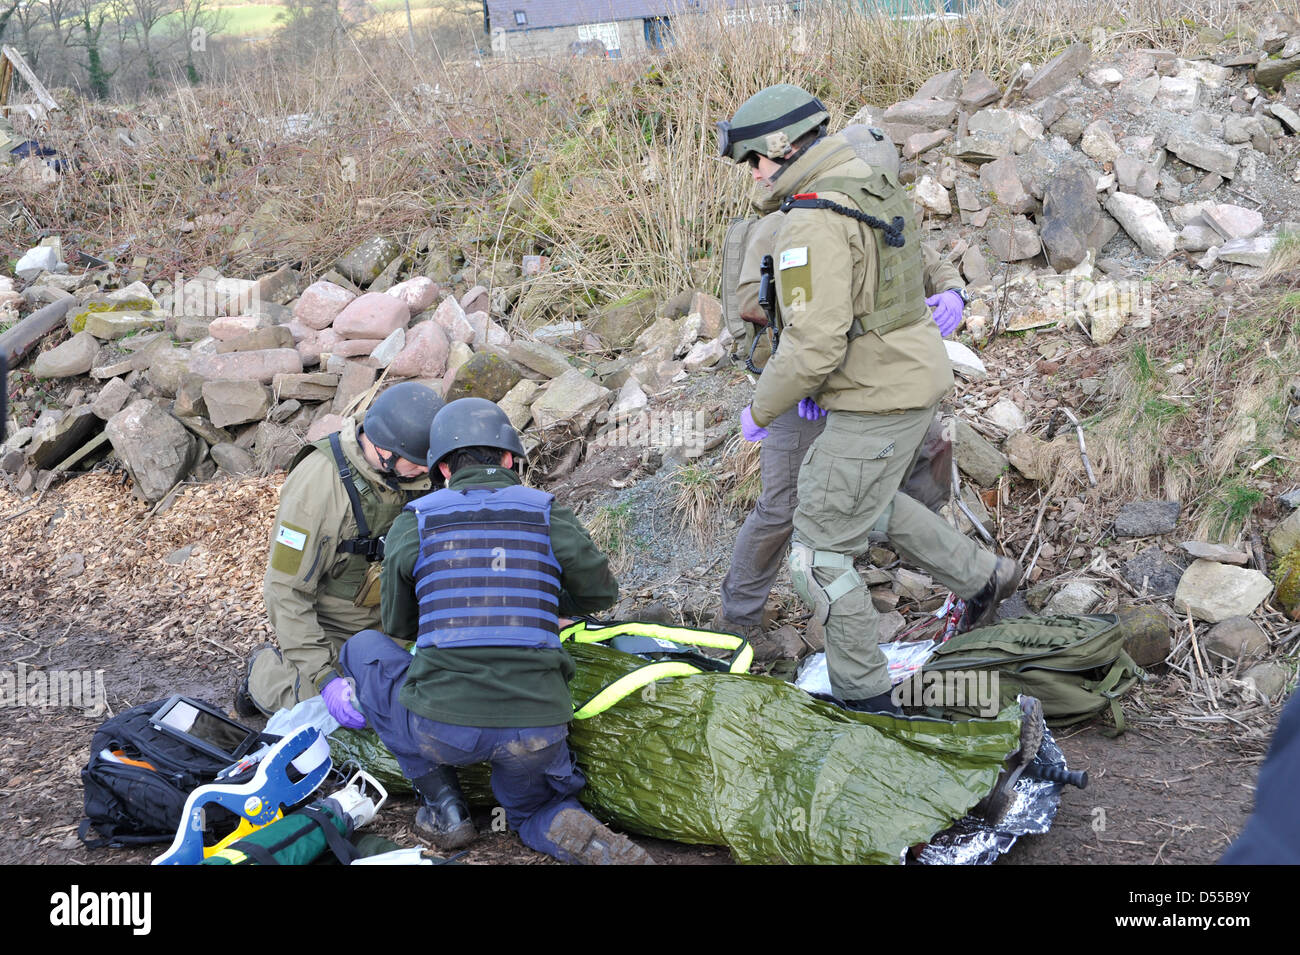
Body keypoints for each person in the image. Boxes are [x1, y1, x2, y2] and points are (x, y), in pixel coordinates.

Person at [716, 84, 1018, 714]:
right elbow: (763, 308)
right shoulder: (859, 188)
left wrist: (761, 407)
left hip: (862, 392)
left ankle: (865, 700)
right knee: (863, 505)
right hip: (888, 383)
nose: (754, 172)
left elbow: (816, 341)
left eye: (755, 158)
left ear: (779, 147)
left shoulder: (813, 216)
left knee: (819, 553)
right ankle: (982, 577)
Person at [332, 397, 652, 865]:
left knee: (363, 648)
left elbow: (399, 626)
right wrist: (535, 601)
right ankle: (568, 825)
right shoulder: (546, 510)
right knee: (535, 810)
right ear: (508, 458)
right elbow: (600, 594)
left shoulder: (414, 521)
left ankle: (445, 807)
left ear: (440, 469)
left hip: (442, 729)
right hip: (536, 727)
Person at [715, 193, 967, 644]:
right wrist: (804, 383)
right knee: (782, 506)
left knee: (929, 461)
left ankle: (921, 578)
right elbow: (762, 313)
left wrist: (953, 292)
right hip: (803, 387)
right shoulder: (781, 227)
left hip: (880, 379)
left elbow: (928, 261)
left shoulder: (874, 210)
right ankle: (738, 622)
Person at [238, 382, 444, 717]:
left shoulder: (416, 470)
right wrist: (324, 676)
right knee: (330, 712)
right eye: (419, 463)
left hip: (398, 618)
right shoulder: (317, 487)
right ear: (384, 449)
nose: (426, 472)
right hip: (335, 629)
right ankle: (264, 675)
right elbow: (285, 590)